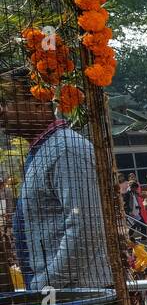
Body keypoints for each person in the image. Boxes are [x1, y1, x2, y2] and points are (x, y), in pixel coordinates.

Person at [2, 67, 112, 292]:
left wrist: (46, 285)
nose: (1, 111)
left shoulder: (66, 150)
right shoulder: (44, 151)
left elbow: (86, 229)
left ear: (39, 103)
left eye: (7, 102)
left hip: (78, 298)